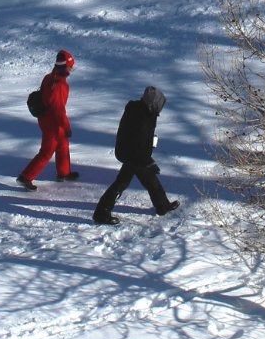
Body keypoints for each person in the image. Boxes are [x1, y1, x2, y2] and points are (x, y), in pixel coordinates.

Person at [93, 85, 180, 225]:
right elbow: (138, 142)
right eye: (159, 104)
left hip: (133, 153)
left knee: (149, 180)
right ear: (153, 103)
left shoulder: (143, 110)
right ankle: (101, 213)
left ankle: (162, 205)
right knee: (122, 183)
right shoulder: (143, 116)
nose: (160, 109)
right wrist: (148, 162)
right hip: (132, 154)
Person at [18, 49, 81, 190]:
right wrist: (66, 127)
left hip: (46, 119)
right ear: (65, 66)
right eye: (71, 67)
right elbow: (58, 110)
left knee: (63, 144)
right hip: (52, 123)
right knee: (47, 150)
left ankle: (63, 172)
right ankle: (25, 177)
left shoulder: (49, 77)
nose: (72, 69)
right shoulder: (59, 85)